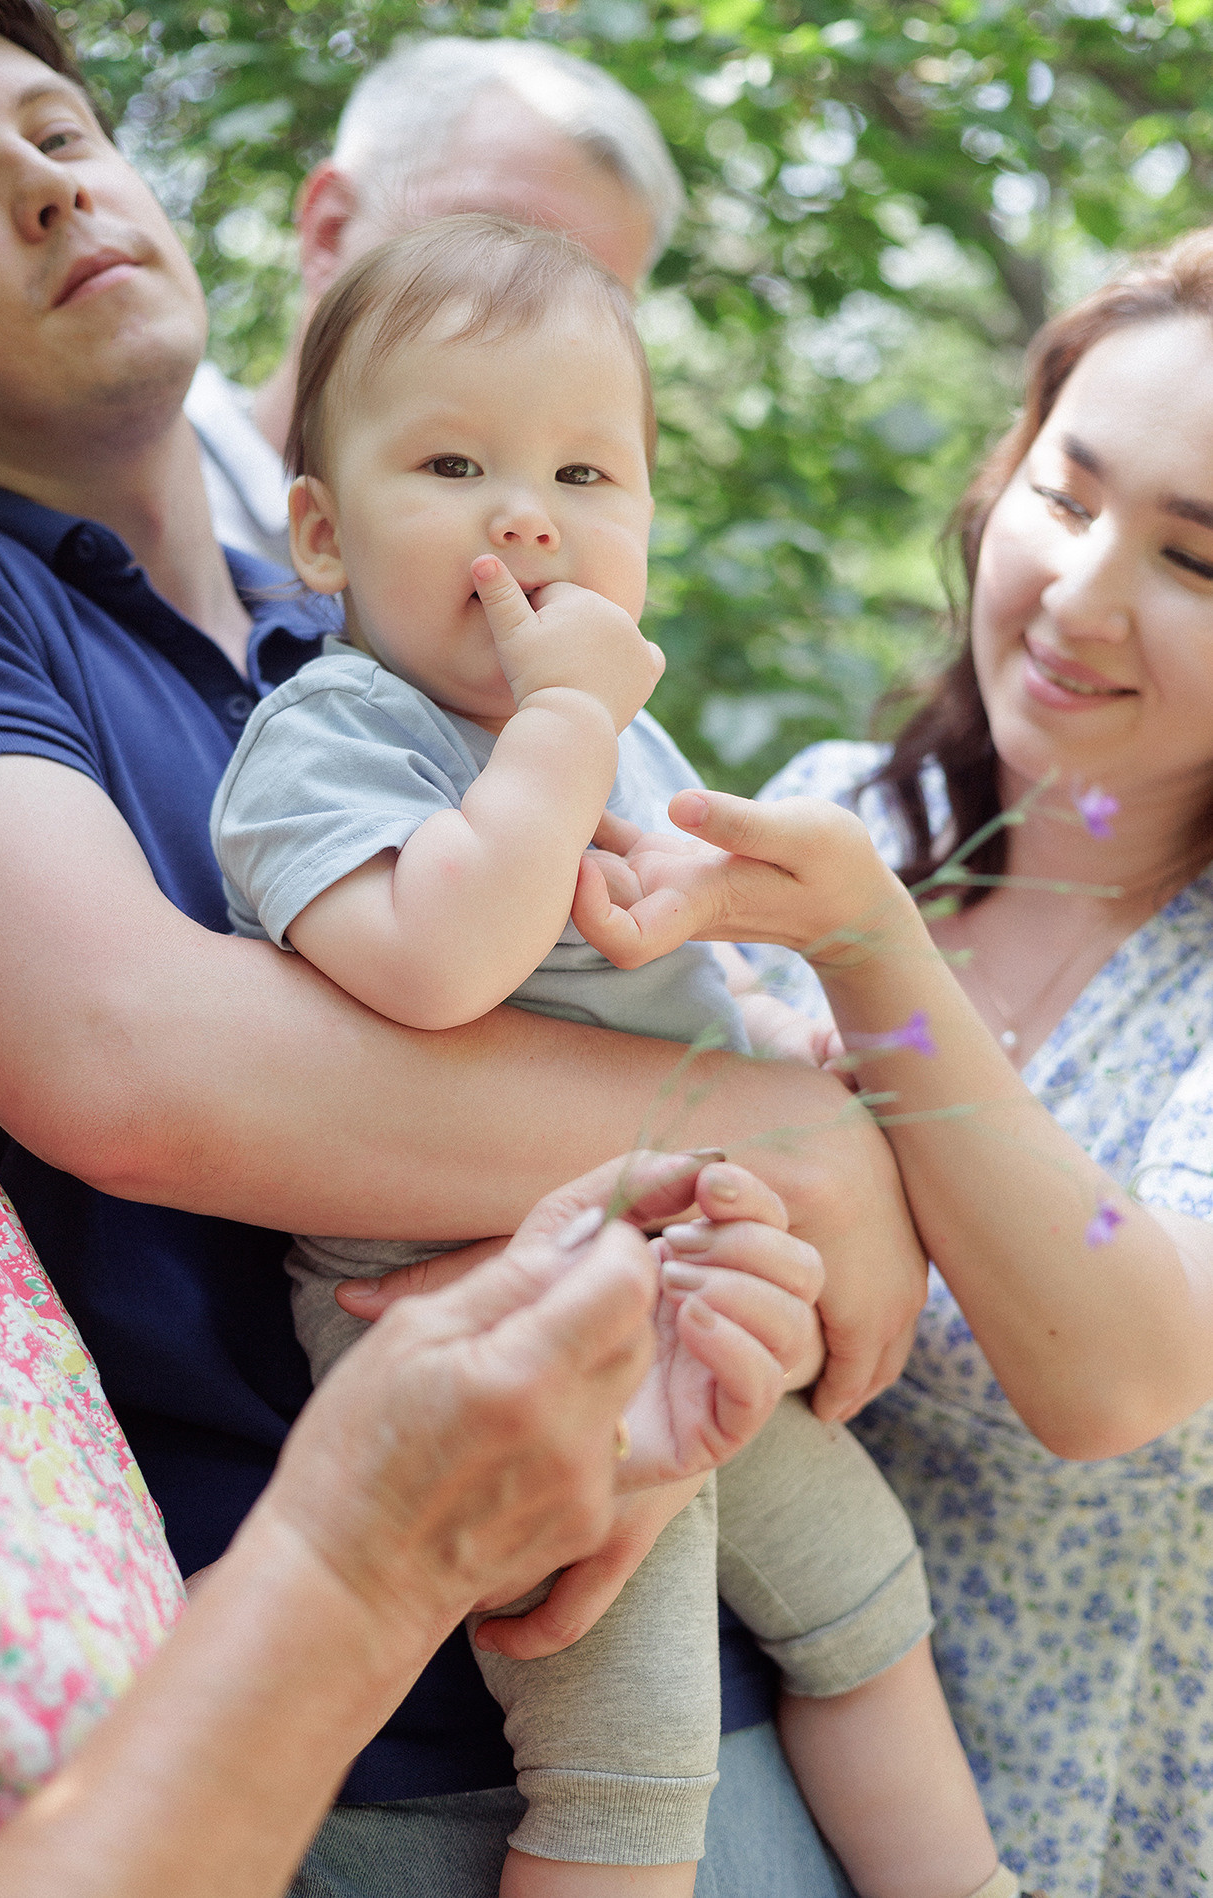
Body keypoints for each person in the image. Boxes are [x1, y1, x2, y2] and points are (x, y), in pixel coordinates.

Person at [0, 6, 930, 1890]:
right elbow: (137, 1066)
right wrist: (795, 1137)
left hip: (688, 1573)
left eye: (63, 123)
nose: (54, 182)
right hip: (374, 1726)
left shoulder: (341, 628)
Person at [210, 213, 1015, 1898]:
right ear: (322, 530)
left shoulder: (619, 733)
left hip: (680, 1276)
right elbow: (439, 962)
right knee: (627, 1749)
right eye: (453, 460)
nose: (527, 513)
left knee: (868, 1596)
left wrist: (774, 1019)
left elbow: (666, 962)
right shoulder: (329, 734)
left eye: (587, 474)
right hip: (482, 1318)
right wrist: (564, 723)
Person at [560, 225, 1213, 1893]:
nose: (1076, 591)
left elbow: (1121, 1374)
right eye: (1066, 497)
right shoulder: (836, 809)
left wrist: (872, 958)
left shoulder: (846, 896)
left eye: (1194, 561)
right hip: (714, 1798)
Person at [186, 34, 683, 565]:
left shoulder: (553, 581)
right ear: (329, 232)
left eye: (594, 302)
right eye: (484, 251)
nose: (539, 323)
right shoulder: (122, 499)